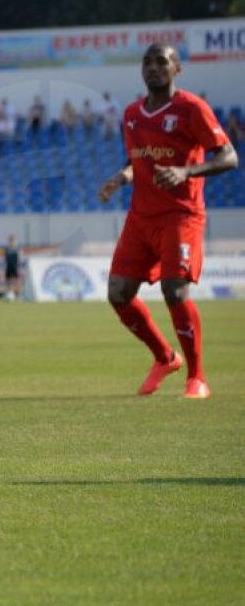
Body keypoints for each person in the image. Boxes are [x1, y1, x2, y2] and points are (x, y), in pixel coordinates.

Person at [97, 44, 238, 399]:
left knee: (174, 291)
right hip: (141, 217)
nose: (154, 68)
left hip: (181, 215)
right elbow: (139, 161)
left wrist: (186, 171)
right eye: (147, 62)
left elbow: (229, 156)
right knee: (118, 293)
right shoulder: (131, 114)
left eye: (162, 62)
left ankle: (198, 377)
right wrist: (122, 177)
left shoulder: (192, 108)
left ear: (177, 69)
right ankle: (164, 357)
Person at [3, 235, 22, 301]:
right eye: (10, 240)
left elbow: (19, 257)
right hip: (8, 267)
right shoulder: (7, 249)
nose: (11, 242)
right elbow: (5, 258)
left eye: (13, 240)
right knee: (8, 281)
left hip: (15, 267)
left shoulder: (17, 248)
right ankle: (7, 294)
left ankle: (19, 295)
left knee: (17, 281)